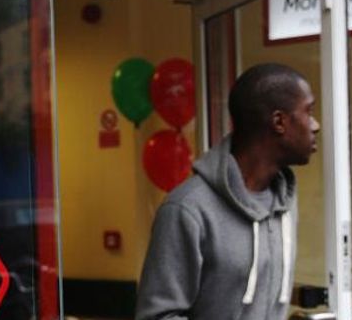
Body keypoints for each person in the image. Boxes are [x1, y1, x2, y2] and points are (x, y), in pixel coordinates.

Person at [136, 63, 320, 320]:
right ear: (279, 121)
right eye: (308, 112)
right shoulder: (187, 209)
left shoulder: (285, 203)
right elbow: (157, 317)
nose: (315, 125)